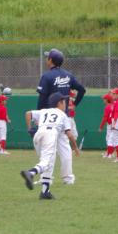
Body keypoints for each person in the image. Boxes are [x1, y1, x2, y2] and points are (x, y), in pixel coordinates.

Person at [36, 48, 86, 184]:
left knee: (47, 149)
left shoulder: (46, 76)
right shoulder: (68, 75)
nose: (47, 59)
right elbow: (82, 89)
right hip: (64, 116)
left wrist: (39, 116)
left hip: (49, 118)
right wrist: (75, 103)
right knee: (64, 147)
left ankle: (46, 178)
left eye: (48, 57)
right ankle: (68, 178)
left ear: (50, 60)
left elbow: (42, 99)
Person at [20, 92, 80, 200]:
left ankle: (45, 192)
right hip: (50, 135)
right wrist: (75, 147)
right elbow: (70, 134)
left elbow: (28, 113)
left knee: (49, 163)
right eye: (64, 101)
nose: (65, 104)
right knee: (46, 163)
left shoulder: (44, 111)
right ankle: (31, 173)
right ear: (60, 103)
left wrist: (29, 128)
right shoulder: (63, 115)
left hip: (38, 135)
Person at [98, 93, 114, 158]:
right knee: (112, 139)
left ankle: (109, 154)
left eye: (104, 99)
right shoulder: (112, 105)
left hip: (110, 124)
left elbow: (105, 118)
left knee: (109, 139)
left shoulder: (107, 107)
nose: (103, 100)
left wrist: (101, 127)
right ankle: (109, 152)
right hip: (114, 123)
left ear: (107, 100)